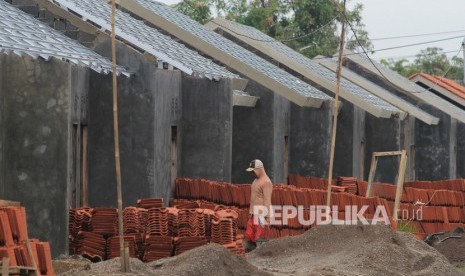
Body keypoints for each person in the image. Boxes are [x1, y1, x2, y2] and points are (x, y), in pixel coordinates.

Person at [243, 159, 273, 252]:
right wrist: (250, 212)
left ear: (259, 170)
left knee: (260, 236)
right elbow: (253, 198)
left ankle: (261, 254)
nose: (252, 173)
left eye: (253, 171)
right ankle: (250, 252)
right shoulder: (256, 181)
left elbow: (267, 200)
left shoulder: (266, 182)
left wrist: (267, 217)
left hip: (262, 215)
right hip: (254, 214)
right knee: (249, 234)